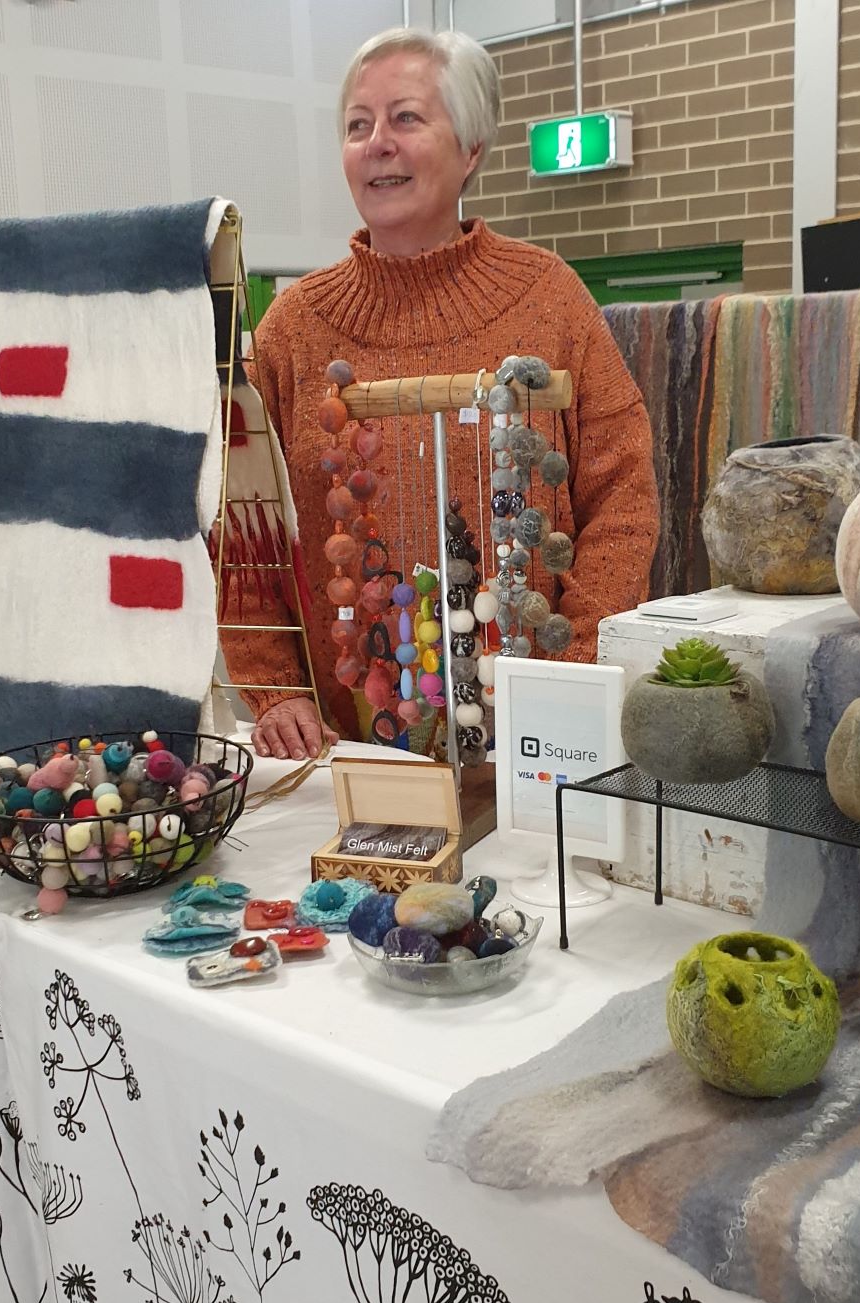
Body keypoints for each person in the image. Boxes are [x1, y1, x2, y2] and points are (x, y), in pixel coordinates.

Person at [221, 26, 658, 760]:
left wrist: (573, 665)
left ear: (473, 149)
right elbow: (242, 526)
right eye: (358, 125)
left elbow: (624, 498)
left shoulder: (550, 299)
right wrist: (276, 687)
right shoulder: (293, 328)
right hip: (351, 746)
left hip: (536, 731)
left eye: (406, 118)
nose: (377, 143)